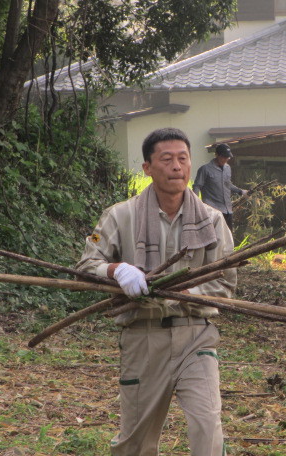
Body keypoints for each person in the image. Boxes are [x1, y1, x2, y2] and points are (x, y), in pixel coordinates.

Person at [76, 128, 237, 456]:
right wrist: (117, 270)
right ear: (147, 167)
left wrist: (192, 290)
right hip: (143, 337)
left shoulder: (212, 220)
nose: (177, 166)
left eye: (183, 158)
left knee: (207, 427)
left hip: (196, 335)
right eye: (166, 159)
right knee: (135, 442)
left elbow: (225, 283)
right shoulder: (119, 216)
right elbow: (86, 262)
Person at [192, 143, 247, 231]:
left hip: (227, 210)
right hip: (212, 210)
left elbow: (227, 184)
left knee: (229, 239)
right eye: (223, 157)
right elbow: (197, 186)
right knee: (215, 239)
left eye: (227, 157)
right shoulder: (205, 169)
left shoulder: (227, 168)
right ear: (216, 155)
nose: (226, 159)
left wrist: (240, 191)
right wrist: (196, 205)